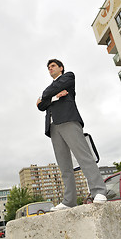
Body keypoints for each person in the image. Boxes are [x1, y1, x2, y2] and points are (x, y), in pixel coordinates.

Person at [36, 59, 107, 211]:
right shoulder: (52, 87)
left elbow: (44, 96)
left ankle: (99, 191)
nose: (50, 69)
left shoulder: (68, 76)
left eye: (53, 66)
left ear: (61, 68)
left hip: (68, 120)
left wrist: (47, 97)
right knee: (64, 165)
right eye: (48, 68)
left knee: (84, 156)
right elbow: (41, 106)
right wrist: (55, 97)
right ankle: (69, 201)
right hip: (53, 127)